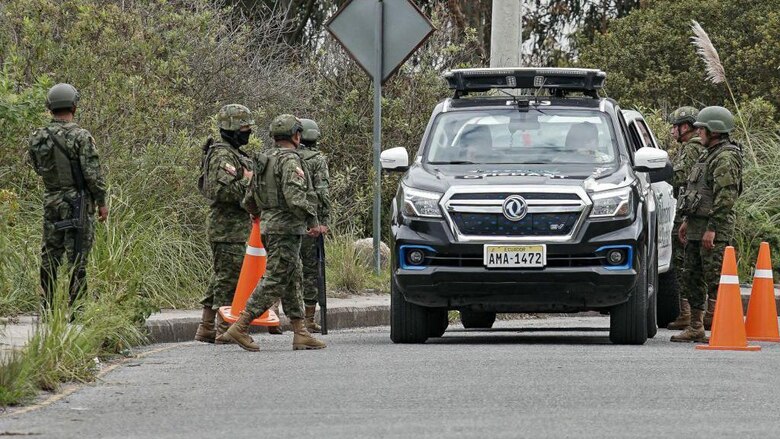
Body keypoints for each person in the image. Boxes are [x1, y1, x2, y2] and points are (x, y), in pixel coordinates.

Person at [217, 114, 327, 351]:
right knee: (276, 278)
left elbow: (250, 197)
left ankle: (300, 331)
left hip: (269, 226)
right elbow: (295, 197)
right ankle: (241, 325)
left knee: (292, 278)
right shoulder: (291, 161)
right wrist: (313, 220)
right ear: (296, 135)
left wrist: (258, 214)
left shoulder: (264, 159)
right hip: (286, 228)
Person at [28, 83, 108, 312]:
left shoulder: (38, 136)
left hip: (51, 200)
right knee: (78, 257)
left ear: (50, 107)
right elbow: (92, 175)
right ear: (74, 105)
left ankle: (48, 307)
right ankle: (77, 309)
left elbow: (37, 167)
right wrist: (101, 202)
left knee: (50, 255)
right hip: (78, 203)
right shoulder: (81, 136)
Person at [673, 106, 742, 342]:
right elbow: (695, 190)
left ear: (714, 130)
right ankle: (695, 326)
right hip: (695, 226)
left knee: (716, 279)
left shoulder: (725, 157)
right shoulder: (706, 154)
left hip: (713, 228)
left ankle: (724, 326)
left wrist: (712, 228)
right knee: (691, 276)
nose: (698, 132)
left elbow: (726, 197)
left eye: (701, 128)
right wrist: (686, 221)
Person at [194, 104, 255, 343]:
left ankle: (207, 326)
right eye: (244, 128)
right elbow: (221, 191)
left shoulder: (234, 153)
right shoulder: (222, 155)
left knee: (223, 276)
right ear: (231, 128)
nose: (248, 132)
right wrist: (247, 181)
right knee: (230, 279)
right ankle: (224, 328)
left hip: (235, 228)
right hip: (227, 229)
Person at [665, 107, 705, 330]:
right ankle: (698, 315)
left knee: (683, 263)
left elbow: (680, 178)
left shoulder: (691, 149)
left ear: (686, 127)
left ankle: (687, 314)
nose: (672, 131)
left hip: (687, 212)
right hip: (694, 211)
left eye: (675, 126)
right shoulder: (703, 147)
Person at [297, 118, 331, 332]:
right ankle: (308, 319)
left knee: (282, 268)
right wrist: (324, 221)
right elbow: (322, 192)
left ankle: (274, 312)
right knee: (311, 270)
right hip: (311, 221)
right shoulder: (317, 160)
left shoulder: (285, 156)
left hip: (285, 221)